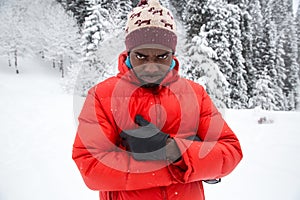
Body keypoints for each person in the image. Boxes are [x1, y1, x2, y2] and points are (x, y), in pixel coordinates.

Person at [72, 0, 243, 199]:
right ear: (129, 53)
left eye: (162, 57)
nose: (151, 66)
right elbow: (91, 168)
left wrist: (173, 150)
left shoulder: (195, 94)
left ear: (173, 54)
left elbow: (230, 150)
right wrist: (185, 163)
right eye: (141, 56)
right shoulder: (101, 96)